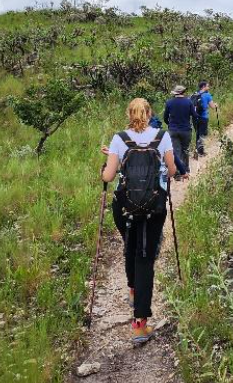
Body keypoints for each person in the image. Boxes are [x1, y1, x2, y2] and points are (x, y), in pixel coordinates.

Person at [100, 98, 177, 344]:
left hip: (125, 206)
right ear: (150, 114)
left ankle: (133, 290)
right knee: (145, 256)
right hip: (154, 206)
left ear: (129, 114)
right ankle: (139, 324)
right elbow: (172, 169)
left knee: (131, 248)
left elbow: (109, 175)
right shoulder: (161, 137)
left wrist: (107, 164)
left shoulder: (119, 139)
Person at [163, 85, 198, 178]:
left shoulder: (169, 102)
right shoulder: (189, 102)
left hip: (173, 130)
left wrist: (170, 124)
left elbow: (165, 117)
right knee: (185, 150)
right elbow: (194, 115)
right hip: (186, 130)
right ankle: (186, 170)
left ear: (175, 93)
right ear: (183, 92)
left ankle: (178, 173)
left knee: (176, 151)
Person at [192, 81, 218, 156]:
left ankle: (197, 149)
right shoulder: (207, 95)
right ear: (203, 87)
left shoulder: (195, 94)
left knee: (198, 133)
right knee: (202, 134)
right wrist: (216, 105)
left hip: (195, 118)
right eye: (207, 86)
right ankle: (200, 152)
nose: (208, 88)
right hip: (203, 117)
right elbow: (213, 107)